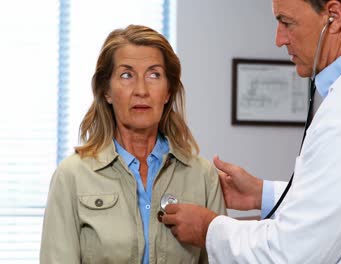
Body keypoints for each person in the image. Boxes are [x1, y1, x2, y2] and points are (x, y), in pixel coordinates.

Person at [161, 0, 341, 263]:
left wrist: (208, 230)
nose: (278, 39)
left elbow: (291, 253)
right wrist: (263, 195)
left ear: (334, 15)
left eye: (286, 22)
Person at [40, 25, 226, 264]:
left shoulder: (203, 176)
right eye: (127, 75)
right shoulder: (72, 176)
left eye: (154, 75)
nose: (141, 90)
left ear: (168, 91)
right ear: (106, 90)